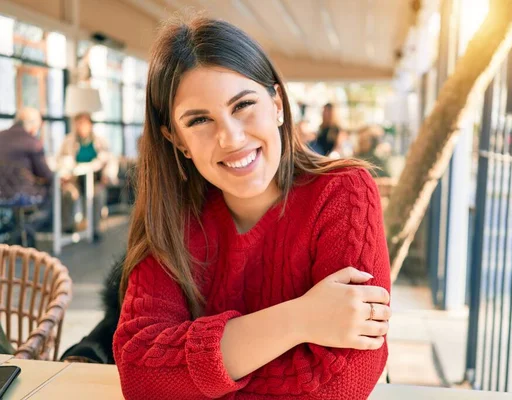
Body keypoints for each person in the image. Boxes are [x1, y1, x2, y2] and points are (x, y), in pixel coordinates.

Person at [114, 14, 391, 400]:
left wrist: (192, 381)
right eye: (199, 120)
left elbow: (342, 383)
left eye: (243, 104)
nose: (231, 138)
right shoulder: (172, 216)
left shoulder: (343, 192)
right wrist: (302, 318)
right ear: (177, 141)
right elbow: (139, 374)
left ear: (277, 104)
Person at [58, 112, 115, 241]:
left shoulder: (100, 141)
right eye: (78, 124)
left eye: (84, 124)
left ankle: (94, 230)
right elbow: (61, 160)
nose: (81, 127)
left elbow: (109, 160)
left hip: (95, 180)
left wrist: (107, 175)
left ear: (90, 125)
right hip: (76, 179)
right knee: (68, 193)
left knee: (98, 195)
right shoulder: (68, 141)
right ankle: (67, 227)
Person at [0, 108, 53, 245]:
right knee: (53, 191)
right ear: (32, 125)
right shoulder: (32, 142)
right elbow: (46, 174)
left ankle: (15, 229)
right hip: (23, 195)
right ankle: (25, 230)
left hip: (1, 194)